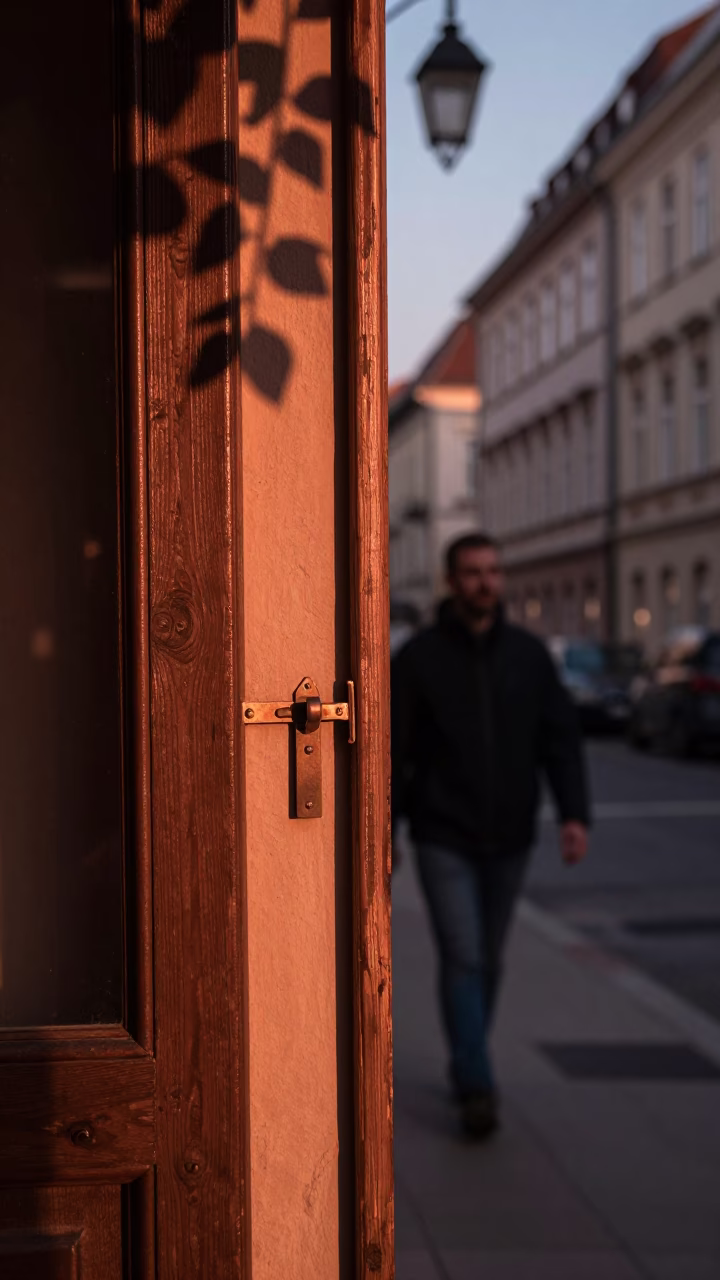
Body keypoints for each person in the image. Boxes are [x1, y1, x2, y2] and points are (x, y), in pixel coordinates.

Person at [392, 532, 590, 1139]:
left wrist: (574, 815)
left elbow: (560, 740)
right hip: (441, 833)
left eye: (494, 572)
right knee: (465, 955)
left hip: (510, 835)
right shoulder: (420, 658)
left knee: (490, 959)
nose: (487, 583)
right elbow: (393, 752)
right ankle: (477, 1082)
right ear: (453, 582)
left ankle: (466, 1056)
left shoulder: (529, 656)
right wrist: (384, 831)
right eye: (474, 573)